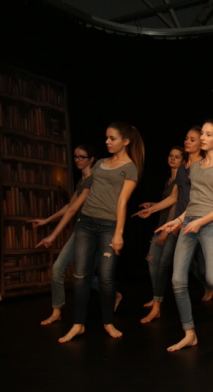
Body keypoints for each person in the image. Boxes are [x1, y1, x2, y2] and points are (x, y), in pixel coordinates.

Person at [156, 119, 213, 352]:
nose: (203, 137)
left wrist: (200, 222)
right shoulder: (195, 167)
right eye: (202, 133)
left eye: (208, 134)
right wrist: (178, 220)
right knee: (177, 280)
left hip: (210, 223)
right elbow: (194, 202)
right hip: (190, 221)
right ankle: (189, 333)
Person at [58, 122, 144, 343]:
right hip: (86, 223)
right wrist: (70, 212)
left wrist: (118, 233)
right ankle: (78, 324)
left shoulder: (130, 168)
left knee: (106, 277)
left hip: (108, 226)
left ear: (126, 141)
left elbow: (122, 202)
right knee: (80, 276)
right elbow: (86, 192)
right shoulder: (99, 164)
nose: (107, 142)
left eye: (112, 138)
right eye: (106, 137)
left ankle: (108, 322)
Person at [31, 144, 97, 325]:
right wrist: (47, 220)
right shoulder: (82, 181)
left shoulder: (93, 180)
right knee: (59, 269)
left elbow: (73, 210)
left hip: (91, 231)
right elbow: (69, 206)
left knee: (83, 275)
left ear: (91, 159)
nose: (78, 160)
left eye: (82, 157)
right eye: (76, 156)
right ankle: (57, 310)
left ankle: (113, 295)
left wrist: (53, 235)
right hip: (79, 230)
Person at [131, 146, 184, 323]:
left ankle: (157, 302)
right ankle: (157, 299)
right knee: (152, 260)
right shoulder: (169, 180)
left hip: (172, 226)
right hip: (162, 225)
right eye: (171, 155)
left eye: (177, 156)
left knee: (163, 264)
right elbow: (167, 202)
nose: (173, 159)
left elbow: (175, 205)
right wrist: (152, 205)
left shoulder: (181, 180)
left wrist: (166, 232)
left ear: (183, 160)